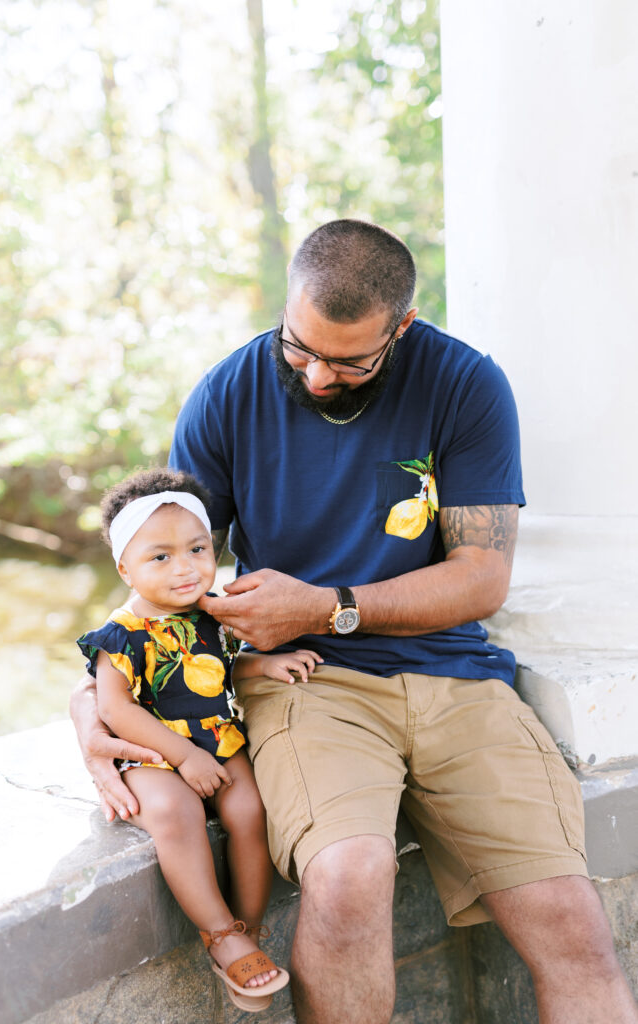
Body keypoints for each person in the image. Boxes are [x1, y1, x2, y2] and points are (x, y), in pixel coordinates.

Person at [72, 221, 638, 1024]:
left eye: (348, 361)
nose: (314, 375)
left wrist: (328, 604)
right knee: (346, 878)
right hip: (309, 684)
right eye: (298, 347)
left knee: (572, 927)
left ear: (400, 328)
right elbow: (165, 573)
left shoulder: (465, 384)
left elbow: (482, 578)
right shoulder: (227, 393)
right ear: (286, 307)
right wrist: (90, 699)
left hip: (456, 678)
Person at [76, 467, 320, 1012]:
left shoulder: (209, 611)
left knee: (250, 810)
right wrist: (182, 756)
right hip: (154, 752)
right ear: (125, 568)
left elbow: (218, 670)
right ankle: (220, 933)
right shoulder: (121, 634)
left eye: (197, 548)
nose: (184, 567)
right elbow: (115, 708)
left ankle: (247, 929)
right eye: (159, 557)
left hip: (216, 741)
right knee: (174, 813)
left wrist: (266, 664)